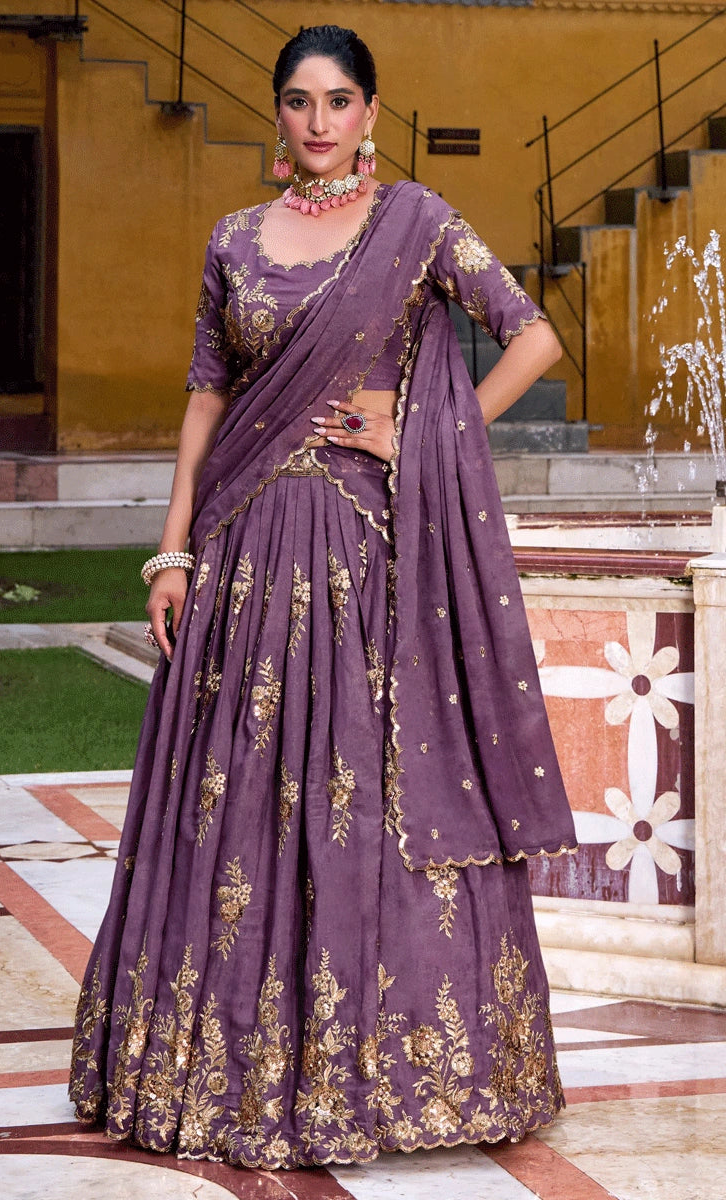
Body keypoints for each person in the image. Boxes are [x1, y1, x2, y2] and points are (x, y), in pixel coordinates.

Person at [69, 24, 578, 1171]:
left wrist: (427, 425)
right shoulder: (232, 239)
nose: (316, 121)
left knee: (370, 800)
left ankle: (388, 1074)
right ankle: (225, 1066)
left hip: (365, 561)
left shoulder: (417, 222)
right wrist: (170, 552)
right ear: (278, 112)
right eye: (298, 100)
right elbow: (207, 397)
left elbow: (532, 336)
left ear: (369, 114)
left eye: (337, 100)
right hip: (244, 557)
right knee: (237, 802)